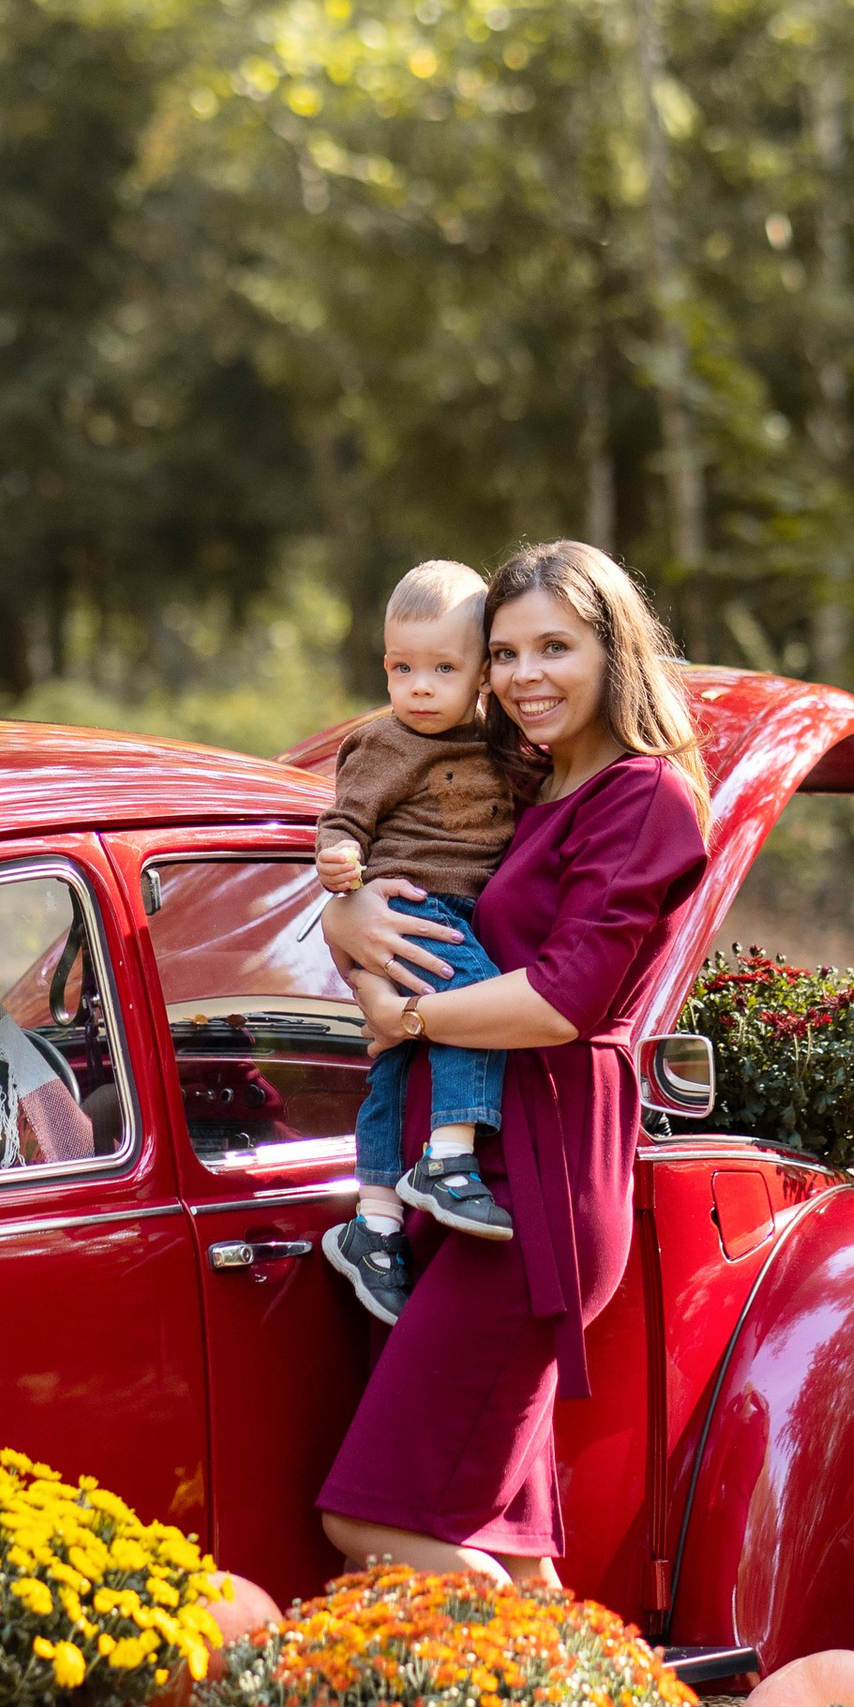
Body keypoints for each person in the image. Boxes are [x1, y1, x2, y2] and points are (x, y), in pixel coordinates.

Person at [315, 539, 711, 1591]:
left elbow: (563, 999)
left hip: (534, 1187)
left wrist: (406, 1017)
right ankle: (565, 1695)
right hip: (457, 1181)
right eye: (503, 653)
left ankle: (516, 1683)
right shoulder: (520, 785)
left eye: (554, 647)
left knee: (371, 1520)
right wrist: (346, 915)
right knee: (507, 1546)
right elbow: (412, 895)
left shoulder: (642, 797)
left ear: (615, 651)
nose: (524, 675)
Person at [315, 558, 533, 1328]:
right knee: (477, 1006)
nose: (420, 687)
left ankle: (375, 1222)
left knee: (397, 1066)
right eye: (402, 668)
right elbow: (344, 820)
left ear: (482, 675)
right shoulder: (384, 744)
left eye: (443, 669)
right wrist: (340, 865)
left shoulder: (498, 744)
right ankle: (448, 1159)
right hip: (416, 906)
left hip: (455, 910)